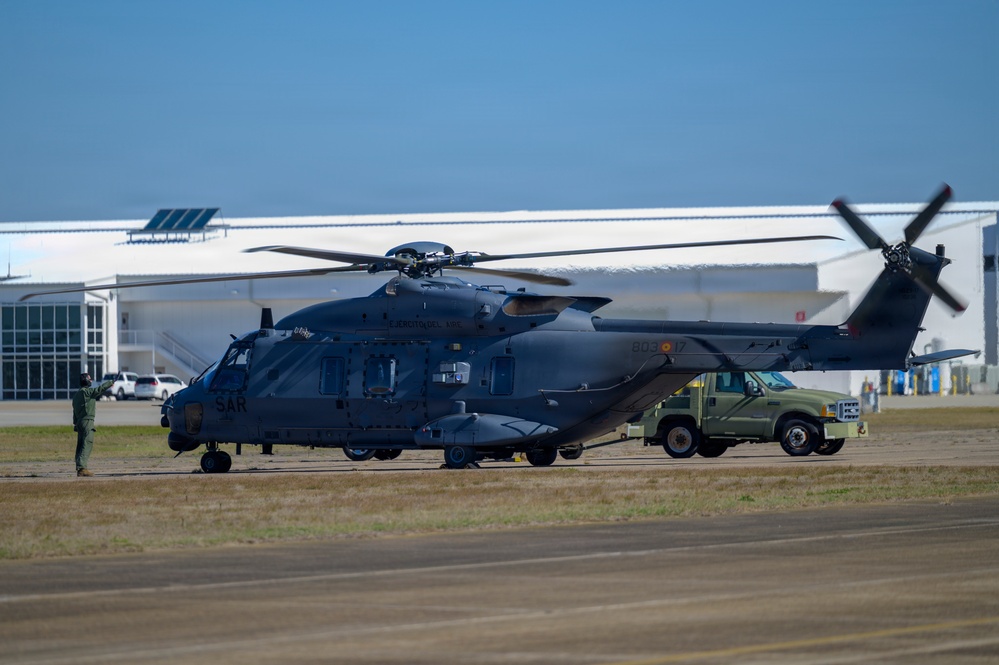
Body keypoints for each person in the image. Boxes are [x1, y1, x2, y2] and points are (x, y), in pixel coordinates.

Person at [72, 372, 115, 477]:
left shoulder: (76, 395)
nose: (91, 381)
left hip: (79, 422)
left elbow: (74, 412)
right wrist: (111, 382)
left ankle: (79, 466)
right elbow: (99, 389)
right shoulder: (87, 392)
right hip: (87, 422)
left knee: (81, 445)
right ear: (86, 380)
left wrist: (76, 424)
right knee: (87, 443)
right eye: (90, 379)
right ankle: (82, 468)